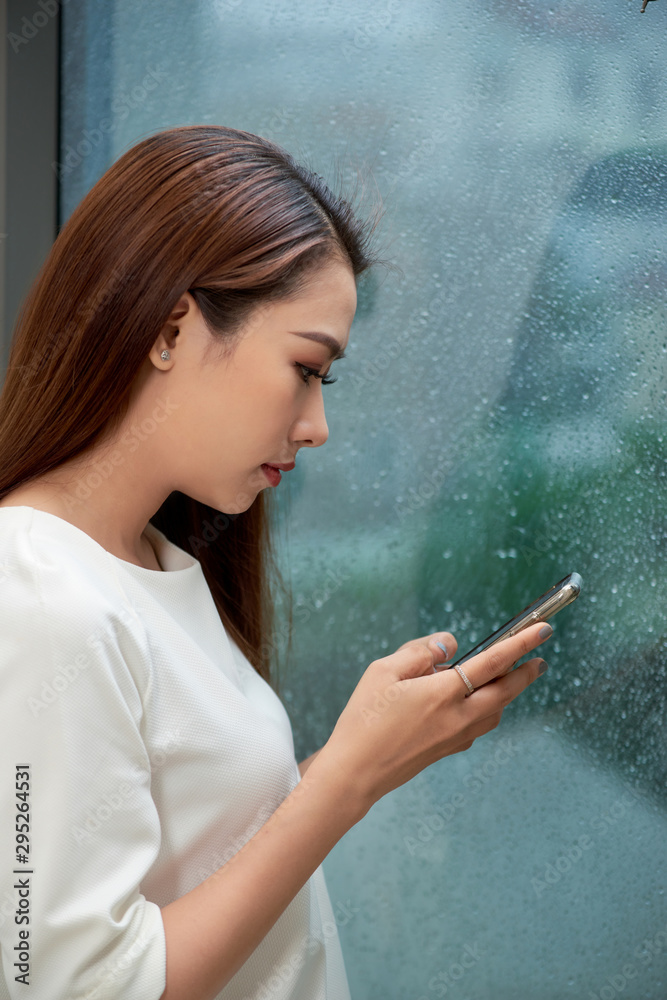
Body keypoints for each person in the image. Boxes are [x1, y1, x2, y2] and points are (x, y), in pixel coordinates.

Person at [0, 125, 551, 1000]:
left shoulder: (154, 562)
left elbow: (195, 850)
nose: (315, 425)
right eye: (305, 368)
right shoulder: (42, 595)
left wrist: (368, 760)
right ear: (171, 326)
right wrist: (342, 782)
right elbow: (73, 985)